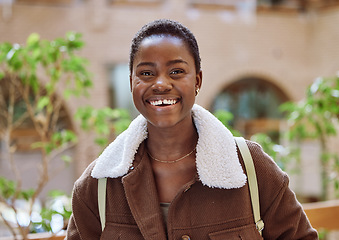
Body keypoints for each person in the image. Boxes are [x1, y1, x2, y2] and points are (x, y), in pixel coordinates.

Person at [66, 19, 318, 240]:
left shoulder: (250, 167)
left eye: (176, 71)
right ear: (132, 82)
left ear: (197, 80)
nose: (161, 84)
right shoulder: (97, 186)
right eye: (146, 73)